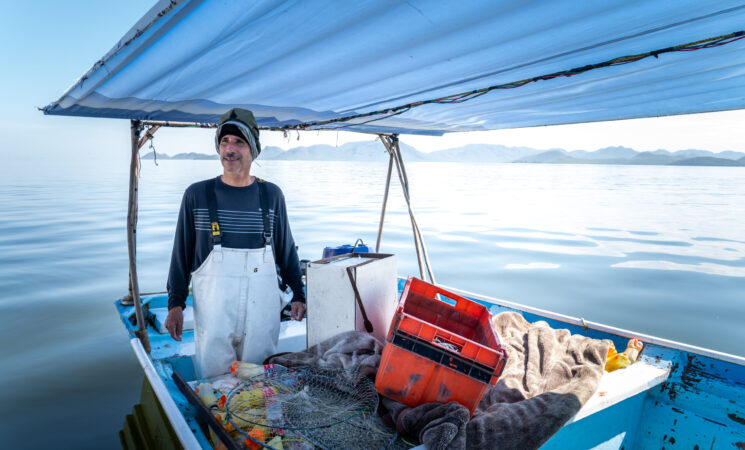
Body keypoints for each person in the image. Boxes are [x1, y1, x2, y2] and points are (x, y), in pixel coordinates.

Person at [164, 108, 305, 379]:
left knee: (259, 384)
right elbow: (180, 255)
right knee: (215, 387)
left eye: (239, 142)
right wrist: (175, 304)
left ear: (253, 149)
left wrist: (298, 294)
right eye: (225, 141)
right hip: (214, 317)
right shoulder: (197, 195)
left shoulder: (272, 195)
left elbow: (286, 251)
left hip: (262, 316)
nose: (230, 149)